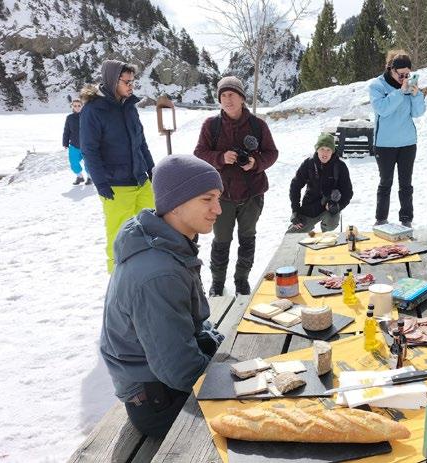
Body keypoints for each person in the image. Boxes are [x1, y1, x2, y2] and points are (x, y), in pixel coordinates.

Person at [100, 154, 225, 438]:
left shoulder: (165, 241)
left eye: (218, 198)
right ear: (175, 204)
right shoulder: (158, 272)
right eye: (207, 199)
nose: (218, 209)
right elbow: (180, 371)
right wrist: (236, 381)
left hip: (163, 377)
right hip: (156, 400)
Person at [194, 76, 278, 297]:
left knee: (247, 239)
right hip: (221, 196)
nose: (227, 99)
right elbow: (199, 153)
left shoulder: (258, 126)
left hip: (252, 194)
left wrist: (255, 162)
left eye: (231, 94)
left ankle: (242, 280)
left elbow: (272, 153)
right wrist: (220, 157)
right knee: (221, 241)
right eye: (223, 95)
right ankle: (217, 282)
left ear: (242, 98)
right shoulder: (211, 126)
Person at [80, 60, 155, 274]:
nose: (131, 86)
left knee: (150, 229)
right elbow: (89, 150)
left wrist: (152, 170)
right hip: (116, 186)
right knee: (120, 236)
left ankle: (146, 274)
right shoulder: (94, 110)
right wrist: (101, 183)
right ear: (113, 81)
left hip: (141, 181)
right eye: (127, 82)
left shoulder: (130, 106)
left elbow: (141, 142)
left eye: (133, 81)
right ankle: (118, 281)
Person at [369, 50, 425, 228]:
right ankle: (381, 219)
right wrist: (400, 93)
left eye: (407, 75)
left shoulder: (409, 86)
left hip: (408, 143)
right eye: (401, 75)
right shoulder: (377, 86)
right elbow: (382, 109)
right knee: (385, 183)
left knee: (406, 184)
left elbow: (418, 113)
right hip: (385, 144)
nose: (404, 78)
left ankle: (406, 219)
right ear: (391, 70)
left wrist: (416, 95)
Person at [287, 133, 353, 233]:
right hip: (310, 208)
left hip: (329, 208)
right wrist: (295, 211)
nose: (325, 153)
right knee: (291, 235)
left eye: (328, 150)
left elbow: (347, 192)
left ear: (333, 151)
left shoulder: (340, 166)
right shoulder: (308, 164)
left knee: (330, 224)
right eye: (322, 149)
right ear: (317, 149)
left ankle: (326, 235)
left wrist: (338, 206)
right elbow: (295, 186)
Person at [62, 99, 91, 185]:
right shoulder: (69, 118)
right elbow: (66, 131)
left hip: (86, 145)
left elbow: (94, 130)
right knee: (73, 162)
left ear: (82, 106)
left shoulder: (87, 116)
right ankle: (79, 177)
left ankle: (89, 177)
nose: (77, 107)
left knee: (88, 163)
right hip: (74, 145)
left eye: (79, 105)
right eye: (75, 106)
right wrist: (65, 142)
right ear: (72, 106)